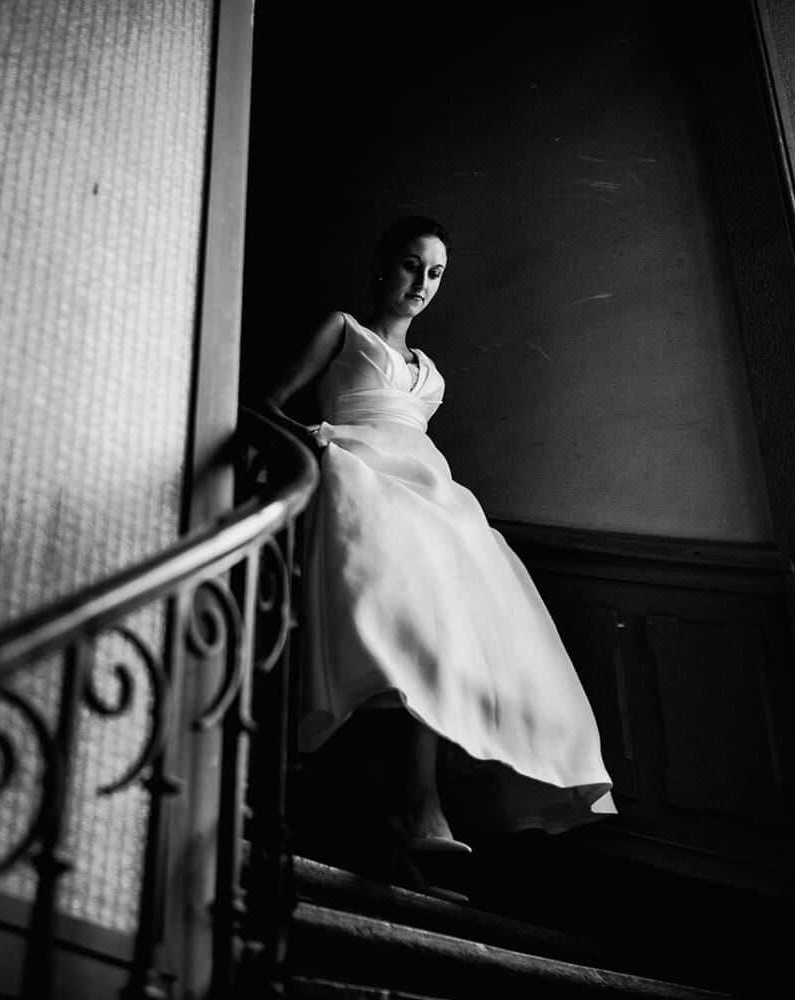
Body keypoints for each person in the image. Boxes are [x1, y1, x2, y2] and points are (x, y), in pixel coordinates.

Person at [261, 216, 614, 902]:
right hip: (356, 473)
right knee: (404, 598)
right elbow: (268, 404)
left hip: (430, 494)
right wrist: (318, 445)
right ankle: (414, 811)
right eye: (410, 266)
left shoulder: (432, 376)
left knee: (455, 619)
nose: (421, 284)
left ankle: (417, 810)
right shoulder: (343, 330)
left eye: (436, 274)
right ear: (379, 266)